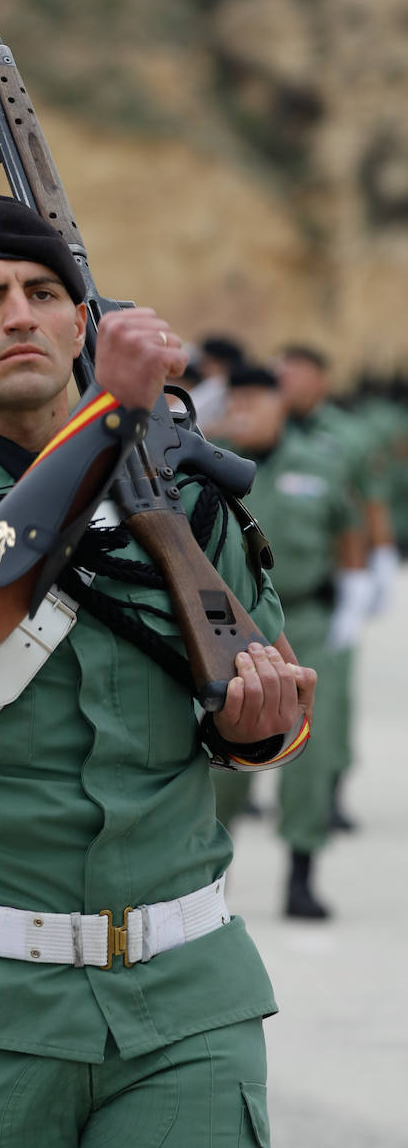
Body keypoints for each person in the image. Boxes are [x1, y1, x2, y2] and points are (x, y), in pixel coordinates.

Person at [0, 195, 315, 1148]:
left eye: (45, 293)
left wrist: (259, 731)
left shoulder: (189, 504)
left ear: (80, 324)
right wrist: (105, 424)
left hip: (186, 1004)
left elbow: (272, 707)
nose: (18, 316)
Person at [212, 363, 365, 918]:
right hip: (226, 630)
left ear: (281, 404)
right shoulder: (204, 465)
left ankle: (301, 877)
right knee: (220, 761)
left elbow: (348, 527)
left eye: (259, 399)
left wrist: (355, 590)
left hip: (305, 619)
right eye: (239, 399)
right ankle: (209, 885)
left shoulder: (320, 461)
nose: (247, 410)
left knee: (309, 752)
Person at [278, 343, 393, 830]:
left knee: (332, 701)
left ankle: (329, 790)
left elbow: (370, 502)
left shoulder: (351, 436)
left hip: (326, 593)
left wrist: (376, 566)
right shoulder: (263, 430)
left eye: (300, 374)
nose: (290, 383)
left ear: (322, 380)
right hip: (269, 598)